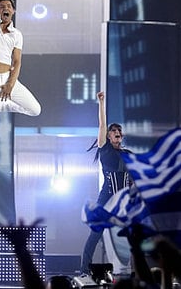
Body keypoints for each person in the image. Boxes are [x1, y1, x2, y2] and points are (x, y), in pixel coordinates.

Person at [80, 91, 131, 274]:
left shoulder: (128, 155)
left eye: (119, 131)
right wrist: (101, 103)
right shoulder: (105, 150)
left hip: (124, 199)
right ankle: (84, 270)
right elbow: (102, 124)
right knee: (96, 234)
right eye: (113, 131)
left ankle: (128, 270)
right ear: (108, 137)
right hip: (107, 197)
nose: (117, 133)